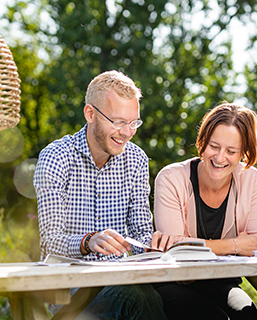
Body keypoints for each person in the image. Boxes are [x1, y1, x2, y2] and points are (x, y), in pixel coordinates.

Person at [33, 70, 166, 319]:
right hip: (70, 288)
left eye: (133, 122)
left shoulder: (136, 159)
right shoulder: (56, 157)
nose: (126, 132)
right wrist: (88, 241)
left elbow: (141, 232)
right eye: (117, 122)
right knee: (136, 298)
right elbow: (49, 241)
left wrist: (154, 246)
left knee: (169, 299)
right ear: (90, 114)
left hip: (122, 278)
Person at [151, 102, 257, 320]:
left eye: (231, 151)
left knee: (247, 314)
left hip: (221, 282)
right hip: (174, 281)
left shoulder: (250, 179)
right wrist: (235, 245)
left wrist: (195, 245)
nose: (219, 158)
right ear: (203, 142)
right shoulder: (171, 178)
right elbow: (177, 249)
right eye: (214, 146)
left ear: (244, 153)